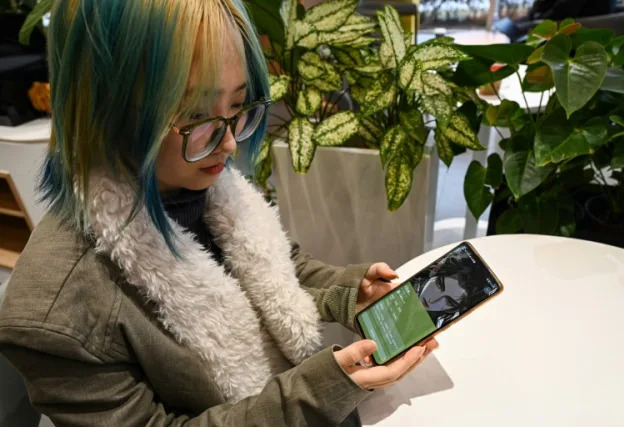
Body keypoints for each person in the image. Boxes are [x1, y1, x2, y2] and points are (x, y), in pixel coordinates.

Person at [0, 1, 437, 426]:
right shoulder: (57, 315)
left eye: (238, 107)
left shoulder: (204, 184)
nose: (229, 145)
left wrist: (349, 292)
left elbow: (275, 270)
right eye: (195, 115)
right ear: (104, 107)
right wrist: (318, 391)